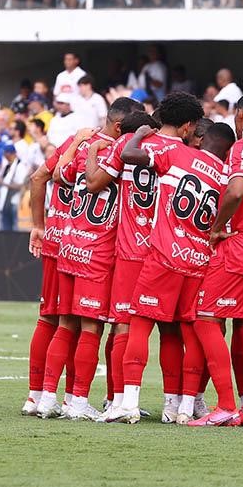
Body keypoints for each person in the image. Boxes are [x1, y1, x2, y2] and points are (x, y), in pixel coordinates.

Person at [106, 98, 235, 425]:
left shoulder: (174, 152)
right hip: (197, 260)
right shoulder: (221, 170)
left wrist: (139, 135)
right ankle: (179, 406)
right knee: (182, 334)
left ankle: (128, 403)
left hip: (164, 254)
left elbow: (128, 155)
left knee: (140, 322)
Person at [84, 98, 199, 424]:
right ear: (188, 125)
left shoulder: (133, 142)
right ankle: (173, 405)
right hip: (171, 250)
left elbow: (94, 184)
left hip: (133, 250)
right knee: (172, 330)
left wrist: (91, 150)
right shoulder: (186, 153)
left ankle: (121, 401)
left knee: (127, 325)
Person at [183, 90, 243, 427]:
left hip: (239, 247)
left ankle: (224, 405)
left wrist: (216, 226)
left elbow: (237, 190)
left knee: (205, 319)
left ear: (240, 115)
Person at [25, 125, 104, 418]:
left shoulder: (74, 143)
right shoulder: (111, 151)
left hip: (56, 238)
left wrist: (38, 225)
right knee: (78, 322)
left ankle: (36, 397)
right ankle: (73, 398)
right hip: (86, 244)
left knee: (49, 319)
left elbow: (38, 177)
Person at [0, 144, 30, 232]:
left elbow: (21, 185)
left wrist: (4, 184)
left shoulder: (20, 166)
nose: (6, 155)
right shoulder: (8, 166)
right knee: (5, 228)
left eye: (8, 153)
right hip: (5, 202)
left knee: (15, 228)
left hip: (15, 201)